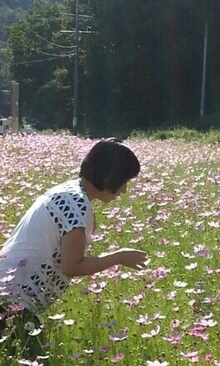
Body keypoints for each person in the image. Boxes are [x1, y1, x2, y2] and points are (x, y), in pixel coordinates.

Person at [0, 138, 147, 351]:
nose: (123, 190)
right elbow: (72, 266)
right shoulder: (77, 205)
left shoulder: (69, 193)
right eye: (124, 181)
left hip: (10, 295)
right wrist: (118, 257)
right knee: (33, 365)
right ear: (108, 178)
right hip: (10, 301)